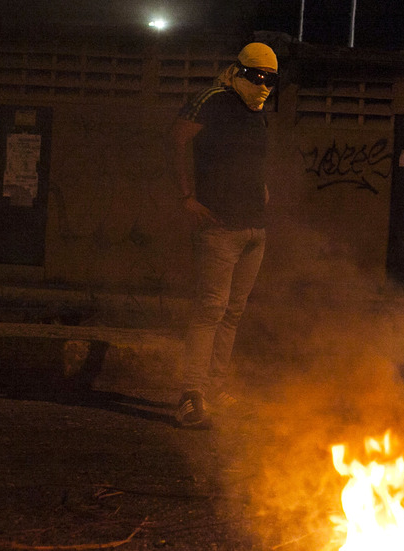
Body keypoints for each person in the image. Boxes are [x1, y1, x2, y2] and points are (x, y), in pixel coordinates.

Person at [168, 42, 280, 428]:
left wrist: (262, 189)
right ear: (239, 71)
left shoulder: (258, 112)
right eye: (256, 76)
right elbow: (178, 139)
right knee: (210, 311)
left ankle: (214, 390)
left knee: (232, 314)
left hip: (254, 229)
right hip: (219, 227)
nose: (263, 84)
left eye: (270, 79)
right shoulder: (213, 99)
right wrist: (187, 196)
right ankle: (191, 395)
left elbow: (254, 158)